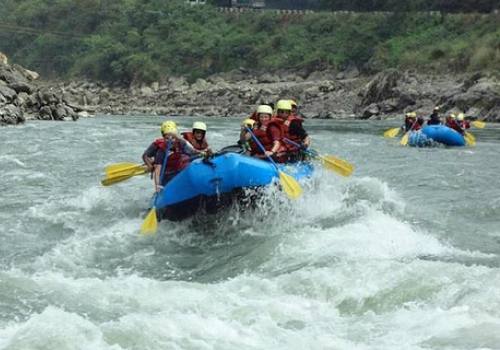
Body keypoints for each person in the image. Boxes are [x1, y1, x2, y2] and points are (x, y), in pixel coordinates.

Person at [151, 121, 204, 193]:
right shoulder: (161, 151)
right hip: (166, 176)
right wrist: (157, 185)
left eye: (172, 138)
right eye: (167, 138)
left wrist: (202, 153)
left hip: (178, 172)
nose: (170, 141)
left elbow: (193, 151)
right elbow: (157, 171)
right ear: (163, 138)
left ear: (176, 138)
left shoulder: (181, 144)